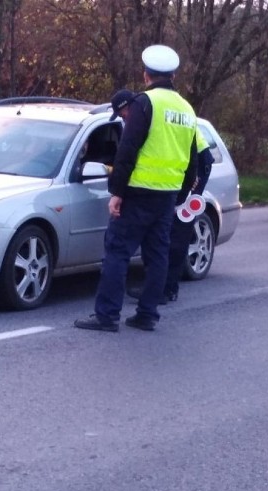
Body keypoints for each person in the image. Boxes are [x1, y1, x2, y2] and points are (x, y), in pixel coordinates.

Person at [74, 44, 198, 332]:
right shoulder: (186, 108)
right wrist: (180, 195)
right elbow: (191, 157)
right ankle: (147, 315)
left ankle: (107, 316)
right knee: (157, 256)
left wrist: (117, 192)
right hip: (166, 196)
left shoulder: (145, 103)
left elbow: (128, 148)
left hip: (138, 192)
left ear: (146, 75)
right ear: (174, 75)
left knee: (117, 252)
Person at [129, 126, 213, 303]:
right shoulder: (160, 116)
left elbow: (203, 160)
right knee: (164, 237)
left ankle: (166, 289)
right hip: (177, 178)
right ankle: (160, 287)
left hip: (188, 175)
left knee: (177, 235)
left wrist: (187, 193)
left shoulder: (159, 117)